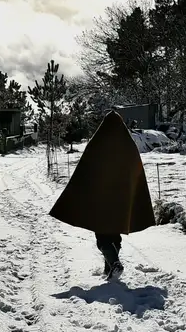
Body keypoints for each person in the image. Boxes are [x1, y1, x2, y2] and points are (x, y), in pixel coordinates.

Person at [49, 110, 156, 280]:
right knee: (114, 233)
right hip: (122, 200)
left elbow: (85, 170)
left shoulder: (98, 144)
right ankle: (109, 270)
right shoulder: (128, 146)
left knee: (102, 234)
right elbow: (135, 172)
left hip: (102, 200)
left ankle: (114, 264)